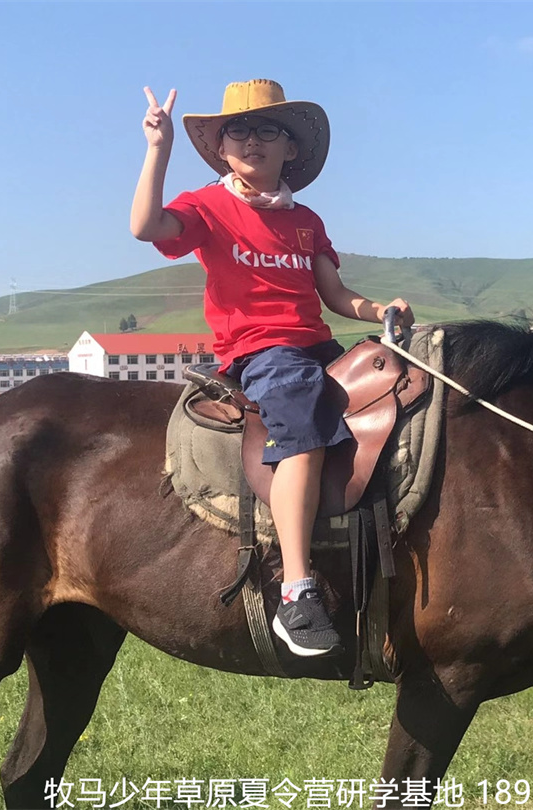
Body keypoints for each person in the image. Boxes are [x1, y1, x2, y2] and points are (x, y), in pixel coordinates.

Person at [130, 79, 412, 657]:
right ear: (221, 146)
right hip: (260, 353)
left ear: (291, 149)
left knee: (399, 395)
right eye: (239, 129)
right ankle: (296, 592)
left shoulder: (306, 220)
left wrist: (378, 310)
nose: (252, 139)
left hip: (317, 346)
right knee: (304, 432)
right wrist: (157, 148)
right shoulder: (207, 206)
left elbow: (335, 295)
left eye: (269, 130)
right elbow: (146, 226)